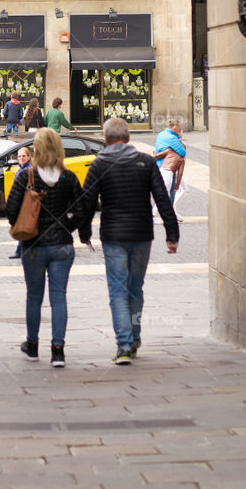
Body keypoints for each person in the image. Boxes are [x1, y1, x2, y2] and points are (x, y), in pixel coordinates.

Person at [80, 116, 179, 364]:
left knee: (117, 290)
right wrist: (172, 233)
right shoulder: (145, 162)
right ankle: (134, 338)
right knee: (135, 288)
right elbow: (162, 198)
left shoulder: (99, 164)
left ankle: (124, 345)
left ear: (105, 139)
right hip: (142, 234)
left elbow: (87, 202)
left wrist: (84, 232)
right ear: (128, 138)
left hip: (113, 235)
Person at [5, 129, 89, 368]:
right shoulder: (69, 177)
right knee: (59, 297)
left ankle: (32, 345)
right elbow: (81, 212)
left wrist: (24, 227)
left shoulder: (26, 176)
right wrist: (67, 228)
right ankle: (58, 350)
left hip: (33, 245)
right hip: (62, 245)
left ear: (37, 149)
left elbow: (11, 210)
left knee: (34, 296)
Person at [153, 117, 187, 205]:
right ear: (174, 128)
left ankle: (171, 212)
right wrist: (180, 137)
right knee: (170, 192)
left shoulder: (161, 134)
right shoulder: (172, 138)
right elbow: (183, 152)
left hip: (160, 165)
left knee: (166, 192)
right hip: (169, 167)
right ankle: (168, 213)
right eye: (179, 130)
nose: (180, 131)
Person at [9, 143, 32, 259]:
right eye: (19, 156)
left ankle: (21, 251)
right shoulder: (20, 170)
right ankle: (19, 251)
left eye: (24, 156)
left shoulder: (28, 171)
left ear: (28, 157)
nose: (21, 158)